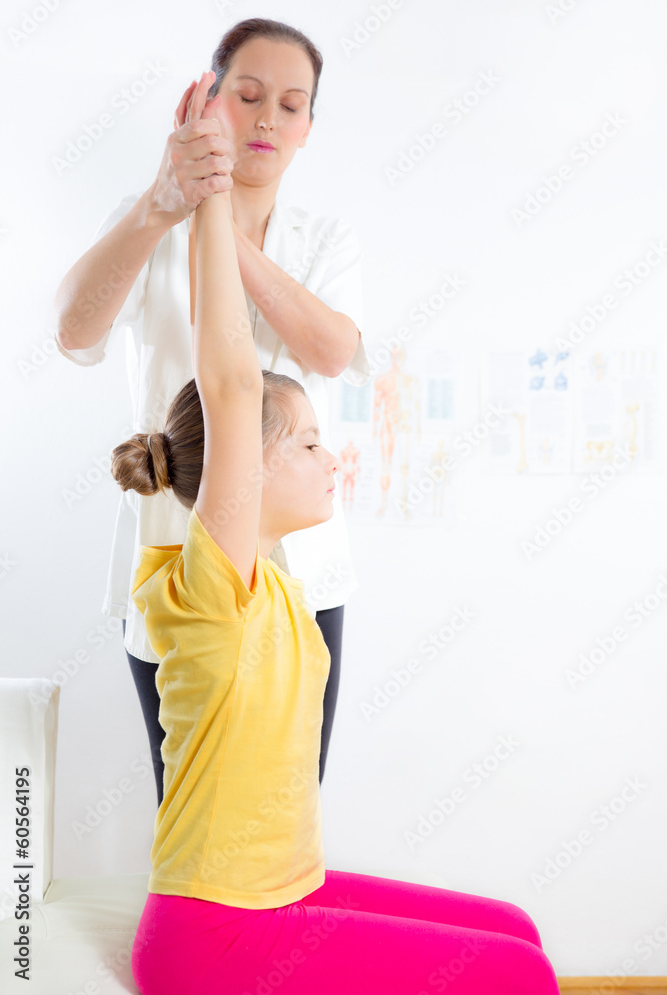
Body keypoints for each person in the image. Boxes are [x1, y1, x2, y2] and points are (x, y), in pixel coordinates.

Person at [109, 77, 561, 995]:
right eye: (309, 443)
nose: (332, 457)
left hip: (282, 894)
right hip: (214, 933)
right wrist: (210, 195)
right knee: (518, 974)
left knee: (515, 931)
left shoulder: (279, 581)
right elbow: (231, 382)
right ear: (244, 468)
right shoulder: (215, 584)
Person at [53, 19, 371, 804]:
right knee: (191, 794)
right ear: (207, 100)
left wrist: (219, 224)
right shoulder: (149, 220)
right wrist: (164, 207)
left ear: (307, 127)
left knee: (288, 800)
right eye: (248, 95)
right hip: (177, 546)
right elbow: (74, 333)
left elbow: (333, 351)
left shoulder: (324, 240)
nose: (267, 119)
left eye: (290, 105)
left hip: (298, 563)